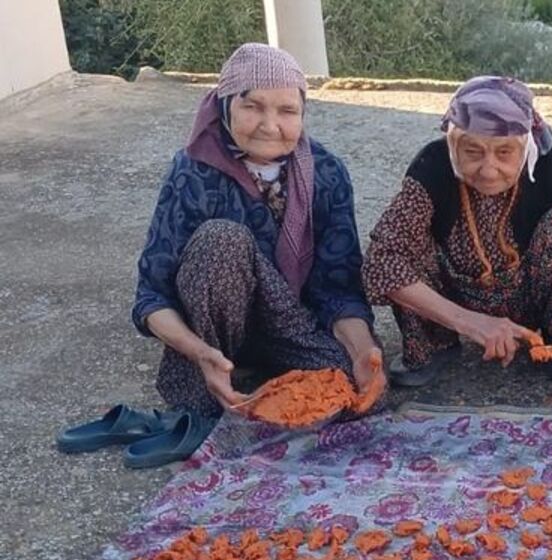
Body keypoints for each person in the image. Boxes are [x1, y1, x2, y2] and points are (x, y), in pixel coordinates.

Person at [133, 43, 383, 438]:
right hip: (210, 334)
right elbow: (151, 297)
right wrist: (198, 352)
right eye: (252, 107)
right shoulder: (192, 173)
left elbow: (339, 287)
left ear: (303, 114)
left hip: (290, 322)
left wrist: (362, 350)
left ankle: (266, 367)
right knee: (222, 239)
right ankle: (212, 376)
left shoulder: (327, 173)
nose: (270, 125)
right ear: (225, 106)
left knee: (354, 392)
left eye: (287, 111)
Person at [363, 76, 552, 385]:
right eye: (473, 152)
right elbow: (380, 262)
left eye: (505, 152)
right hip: (451, 296)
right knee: (403, 241)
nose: (489, 169)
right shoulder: (433, 167)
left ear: (526, 148)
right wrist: (469, 322)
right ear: (454, 146)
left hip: (531, 297)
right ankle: (432, 343)